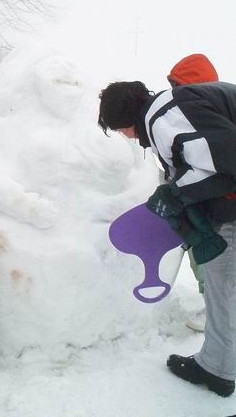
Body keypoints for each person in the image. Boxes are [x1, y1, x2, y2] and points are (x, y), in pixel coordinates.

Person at [98, 79, 236, 397]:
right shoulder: (175, 106)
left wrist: (174, 194)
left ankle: (217, 370)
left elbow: (223, 163)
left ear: (127, 120)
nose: (126, 137)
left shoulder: (165, 118)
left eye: (120, 130)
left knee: (223, 287)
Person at [167, 53, 219, 331]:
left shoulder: (208, 114)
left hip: (215, 202)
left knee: (211, 257)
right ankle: (213, 304)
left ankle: (216, 310)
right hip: (199, 201)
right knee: (200, 256)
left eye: (178, 86)